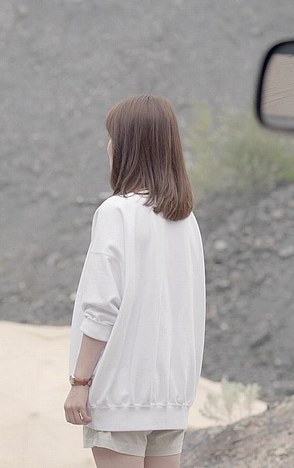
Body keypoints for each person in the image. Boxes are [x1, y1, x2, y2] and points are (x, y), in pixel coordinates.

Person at [63, 94, 205, 468]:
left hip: (120, 393)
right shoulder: (185, 219)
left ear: (127, 147)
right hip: (170, 395)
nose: (108, 146)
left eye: (112, 138)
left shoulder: (117, 213)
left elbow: (101, 308)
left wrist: (80, 383)